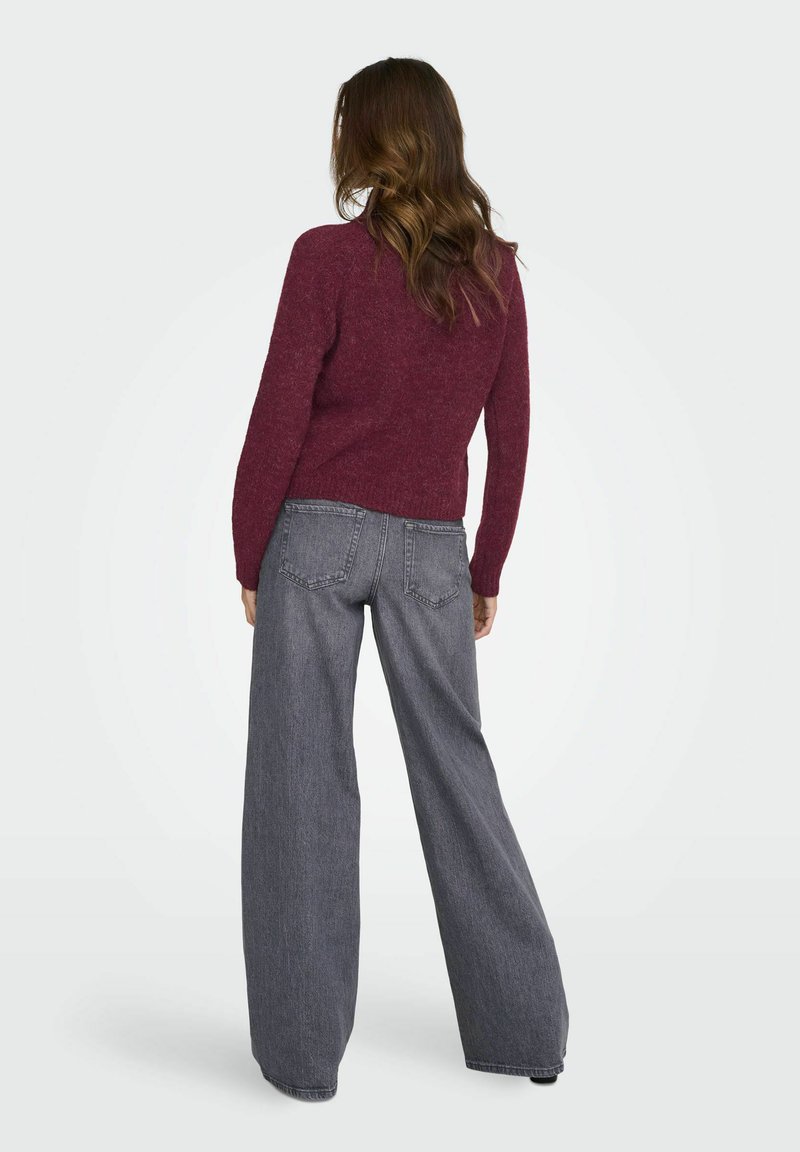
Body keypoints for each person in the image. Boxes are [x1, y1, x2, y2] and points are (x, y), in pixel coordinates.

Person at [231, 56, 569, 1102]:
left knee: (299, 785)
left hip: (313, 537)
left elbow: (280, 411)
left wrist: (248, 548)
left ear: (364, 139)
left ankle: (301, 1060)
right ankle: (526, 1032)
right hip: (431, 548)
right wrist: (484, 564)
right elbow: (511, 436)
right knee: (459, 778)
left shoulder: (325, 257)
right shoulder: (495, 273)